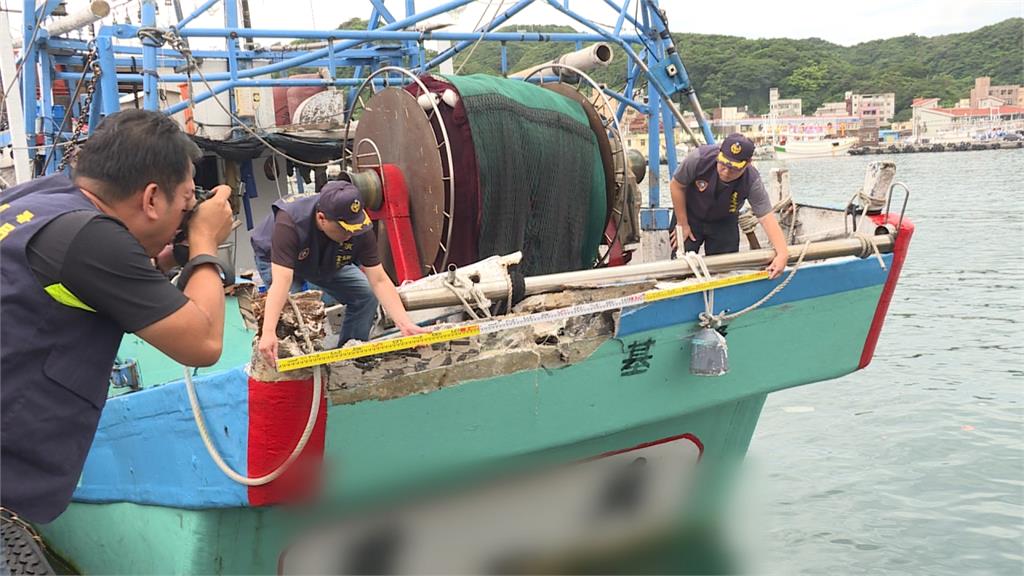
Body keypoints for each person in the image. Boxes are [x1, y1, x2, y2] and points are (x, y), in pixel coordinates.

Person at [0, 109, 235, 524]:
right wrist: (203, 242)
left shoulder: (37, 199)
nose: (185, 218)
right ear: (150, 199)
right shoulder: (90, 239)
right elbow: (204, 342)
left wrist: (160, 260)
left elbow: (84, 278)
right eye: (184, 205)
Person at [251, 180, 426, 366]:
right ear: (321, 218)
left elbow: (379, 280)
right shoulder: (290, 222)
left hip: (327, 256)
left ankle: (351, 354)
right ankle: (294, 365)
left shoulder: (358, 227)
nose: (350, 233)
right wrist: (268, 332)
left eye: (354, 226)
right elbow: (282, 282)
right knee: (293, 315)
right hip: (278, 259)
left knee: (365, 294)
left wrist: (405, 324)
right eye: (344, 228)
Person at [669, 133, 789, 279]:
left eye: (734, 168)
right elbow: (676, 185)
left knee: (724, 270)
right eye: (723, 164)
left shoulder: (751, 181)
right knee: (680, 266)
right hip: (689, 215)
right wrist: (682, 223)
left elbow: (765, 217)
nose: (726, 171)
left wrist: (782, 253)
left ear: (747, 163)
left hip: (724, 220)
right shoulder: (699, 159)